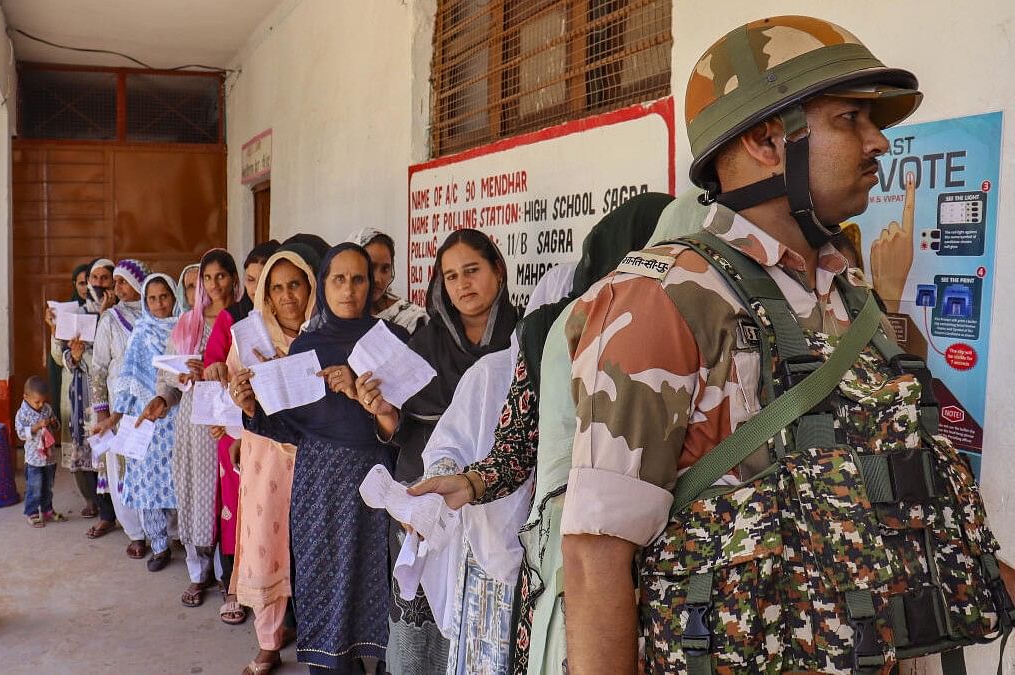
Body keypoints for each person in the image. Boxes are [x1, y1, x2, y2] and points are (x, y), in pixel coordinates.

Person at [561, 17, 1012, 673]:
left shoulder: (848, 292)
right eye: (849, 119)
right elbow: (595, 556)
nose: (879, 141)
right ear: (767, 139)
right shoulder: (663, 299)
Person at [410, 193, 675, 675]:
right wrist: (470, 482)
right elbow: (516, 448)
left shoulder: (690, 325)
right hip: (573, 552)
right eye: (452, 275)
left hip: (672, 555)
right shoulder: (547, 338)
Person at [356, 228, 519, 675]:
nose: (463, 284)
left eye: (472, 271)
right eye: (451, 276)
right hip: (428, 502)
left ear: (498, 271)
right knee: (421, 631)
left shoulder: (525, 339)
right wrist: (384, 410)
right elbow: (402, 429)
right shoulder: (424, 346)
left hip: (501, 501)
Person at [231, 243, 398, 674]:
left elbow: (406, 429)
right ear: (323, 286)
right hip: (318, 485)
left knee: (377, 588)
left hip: (376, 485)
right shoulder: (307, 346)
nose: (348, 290)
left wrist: (364, 398)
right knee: (324, 589)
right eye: (337, 279)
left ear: (372, 284)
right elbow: (290, 428)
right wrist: (252, 407)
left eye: (358, 279)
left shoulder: (389, 341)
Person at [407, 261, 575, 675]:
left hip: (563, 559)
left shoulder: (595, 376)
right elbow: (448, 446)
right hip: (495, 557)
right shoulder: (493, 374)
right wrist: (445, 482)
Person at [222, 243, 321, 675]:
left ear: (310, 287)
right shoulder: (249, 338)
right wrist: (242, 401)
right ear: (265, 292)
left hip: (317, 457)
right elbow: (234, 394)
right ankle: (268, 642)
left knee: (313, 547)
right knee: (266, 543)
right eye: (277, 287)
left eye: (295, 284)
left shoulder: (324, 336)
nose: (286, 296)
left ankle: (321, 640)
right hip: (267, 462)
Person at [138, 249, 245, 616]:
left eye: (221, 276)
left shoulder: (246, 318)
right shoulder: (187, 323)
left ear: (234, 278)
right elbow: (168, 380)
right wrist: (166, 396)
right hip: (193, 424)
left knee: (231, 501)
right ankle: (199, 573)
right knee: (197, 496)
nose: (214, 285)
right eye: (207, 279)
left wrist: (215, 372)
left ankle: (230, 578)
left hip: (232, 422)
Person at [114, 273, 182, 563]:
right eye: (152, 298)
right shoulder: (140, 331)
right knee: (147, 483)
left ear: (174, 296)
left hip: (178, 415)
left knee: (179, 481)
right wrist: (117, 414)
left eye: (164, 296)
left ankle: (183, 538)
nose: (158, 304)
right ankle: (158, 544)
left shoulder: (185, 327)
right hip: (146, 417)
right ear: (145, 301)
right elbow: (128, 374)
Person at [87, 259, 151, 542]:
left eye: (124, 281)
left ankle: (160, 532)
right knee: (123, 468)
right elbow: (99, 368)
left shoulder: (159, 314)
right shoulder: (110, 318)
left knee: (152, 467)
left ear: (140, 283)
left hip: (152, 405)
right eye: (117, 282)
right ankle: (135, 532)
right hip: (119, 408)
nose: (118, 287)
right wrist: (103, 413)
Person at [54, 258, 115, 519]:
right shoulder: (75, 315)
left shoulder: (120, 313)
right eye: (94, 278)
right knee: (85, 446)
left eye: (104, 278)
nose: (98, 284)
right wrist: (74, 356)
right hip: (80, 392)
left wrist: (105, 314)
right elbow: (61, 354)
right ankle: (97, 505)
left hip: (109, 394)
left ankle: (116, 510)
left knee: (110, 450)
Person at [347, 228, 428, 334]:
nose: (378, 279)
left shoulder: (409, 319)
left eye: (385, 269)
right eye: (370, 267)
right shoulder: (336, 314)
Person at [14, 376, 62, 528]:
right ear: (25, 397)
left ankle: (47, 510)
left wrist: (54, 423)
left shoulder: (47, 409)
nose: (41, 405)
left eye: (43, 401)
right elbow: (21, 434)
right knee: (35, 487)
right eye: (37, 402)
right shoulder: (22, 414)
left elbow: (57, 426)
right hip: (34, 459)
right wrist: (36, 426)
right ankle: (32, 512)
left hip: (49, 458)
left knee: (48, 486)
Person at [47, 262, 91, 428]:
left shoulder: (109, 312)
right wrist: (54, 329)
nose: (86, 288)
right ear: (74, 284)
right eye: (81, 283)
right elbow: (58, 358)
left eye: (89, 282)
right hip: (72, 382)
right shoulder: (65, 313)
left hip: (96, 383)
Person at [236, 240, 282, 317]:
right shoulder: (230, 320)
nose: (256, 290)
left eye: (264, 281)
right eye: (250, 280)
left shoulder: (295, 322)